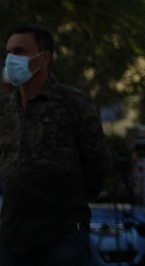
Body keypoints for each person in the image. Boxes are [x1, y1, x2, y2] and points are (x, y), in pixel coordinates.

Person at [0, 24, 112, 266]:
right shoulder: (5, 110)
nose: (11, 59)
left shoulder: (73, 104)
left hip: (61, 236)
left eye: (19, 51)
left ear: (44, 58)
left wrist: (70, 207)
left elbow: (98, 164)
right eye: (8, 51)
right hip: (13, 236)